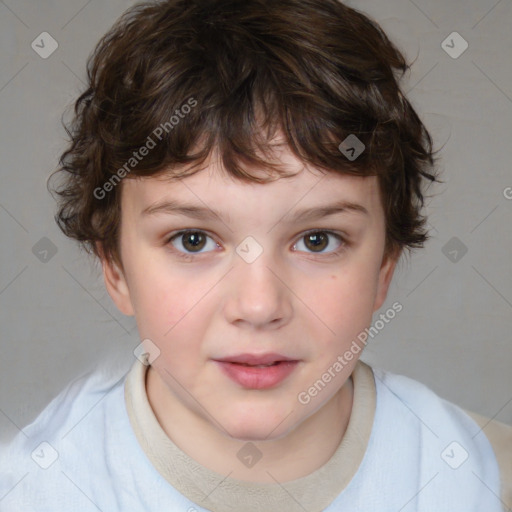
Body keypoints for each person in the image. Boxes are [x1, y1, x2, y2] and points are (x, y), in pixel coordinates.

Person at [1, 0, 510, 510]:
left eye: (317, 240)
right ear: (115, 268)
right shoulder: (36, 489)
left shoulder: (479, 477)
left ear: (384, 265)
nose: (259, 305)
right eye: (193, 240)